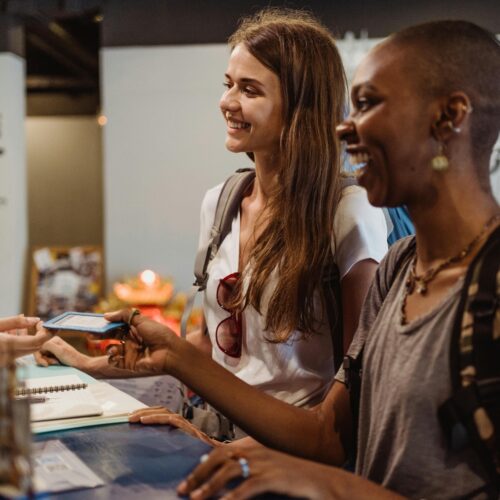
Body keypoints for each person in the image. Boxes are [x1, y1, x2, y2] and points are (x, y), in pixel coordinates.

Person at [59, 19, 498, 499]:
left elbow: (333, 451)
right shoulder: (400, 268)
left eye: (369, 104)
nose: (345, 127)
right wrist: (177, 360)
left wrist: (321, 480)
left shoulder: (480, 283)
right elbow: (332, 434)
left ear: (449, 117)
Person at [39, 8, 387, 418]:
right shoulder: (220, 202)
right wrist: (86, 363)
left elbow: (357, 384)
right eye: (228, 84)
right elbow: (211, 346)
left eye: (249, 90)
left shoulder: (348, 211)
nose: (227, 102)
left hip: (294, 450)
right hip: (213, 426)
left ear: (300, 107)